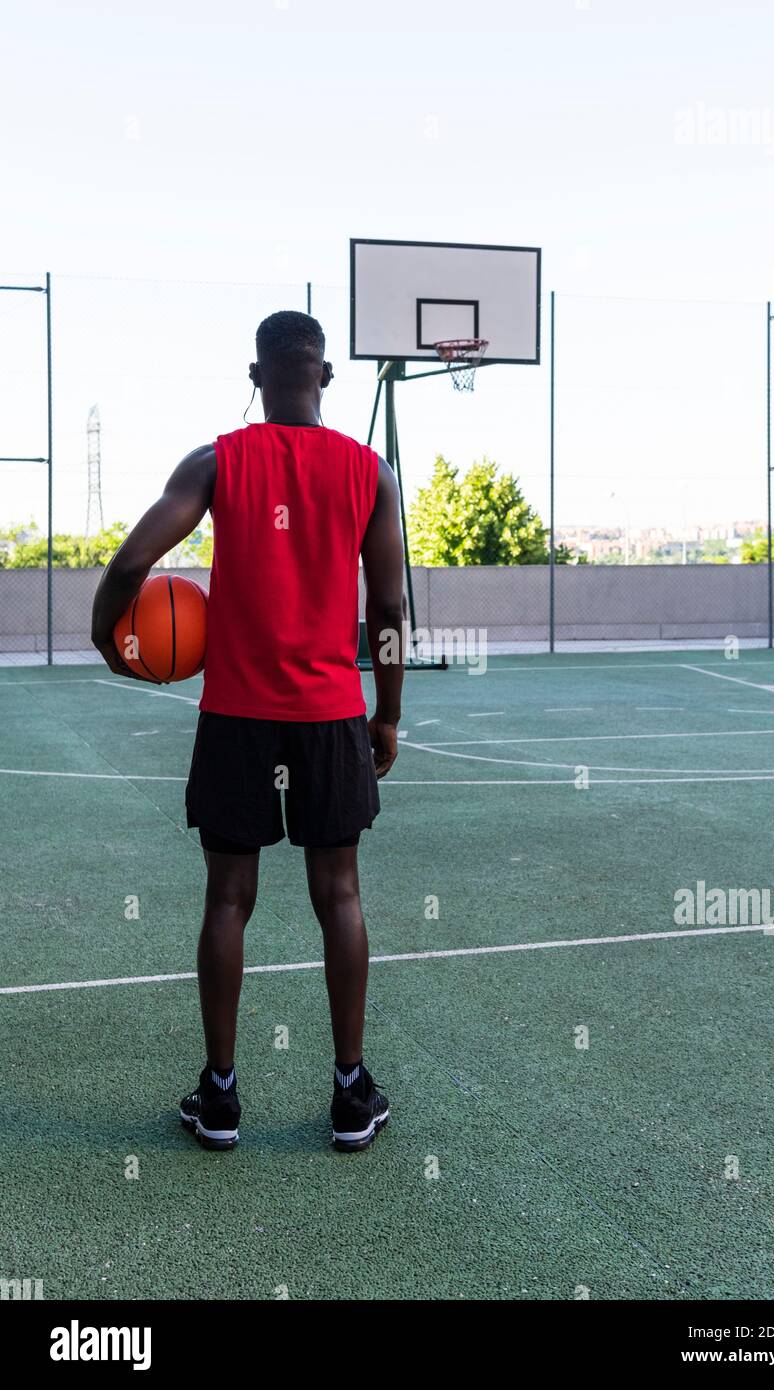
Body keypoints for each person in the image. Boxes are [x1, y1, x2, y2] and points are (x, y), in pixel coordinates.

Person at [91, 310, 406, 1152]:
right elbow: (389, 608)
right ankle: (349, 1092)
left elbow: (130, 564)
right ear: (326, 375)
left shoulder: (216, 461)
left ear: (256, 376)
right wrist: (390, 710)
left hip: (236, 714)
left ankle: (222, 1096)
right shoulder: (368, 471)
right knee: (338, 893)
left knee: (228, 898)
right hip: (331, 713)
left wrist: (104, 633)